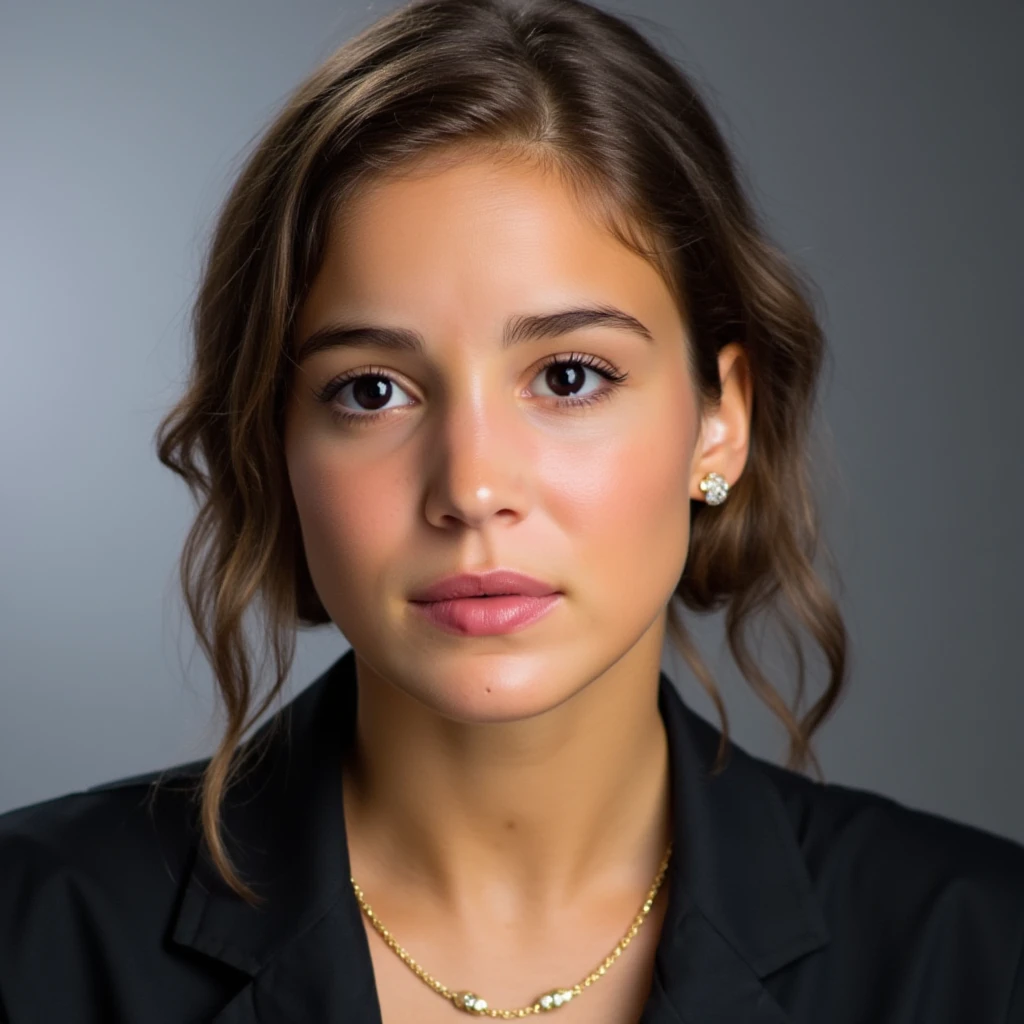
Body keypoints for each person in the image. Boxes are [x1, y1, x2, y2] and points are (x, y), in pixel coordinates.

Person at [1, 0, 1022, 1020]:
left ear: (721, 421)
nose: (472, 488)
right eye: (370, 389)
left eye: (570, 376)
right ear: (276, 445)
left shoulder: (979, 951)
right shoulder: (32, 936)